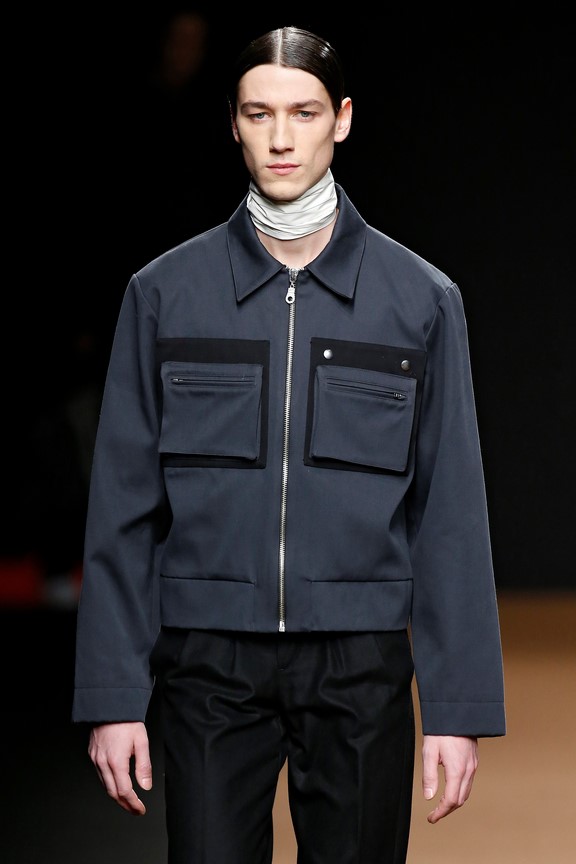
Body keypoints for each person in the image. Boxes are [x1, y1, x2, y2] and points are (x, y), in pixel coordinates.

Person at [73, 25, 506, 864]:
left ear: (341, 120)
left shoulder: (419, 300)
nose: (280, 138)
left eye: (303, 113)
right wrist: (112, 694)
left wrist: (458, 709)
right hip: (207, 663)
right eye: (258, 113)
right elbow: (122, 508)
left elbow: (450, 512)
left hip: (359, 665)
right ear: (232, 124)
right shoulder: (164, 295)